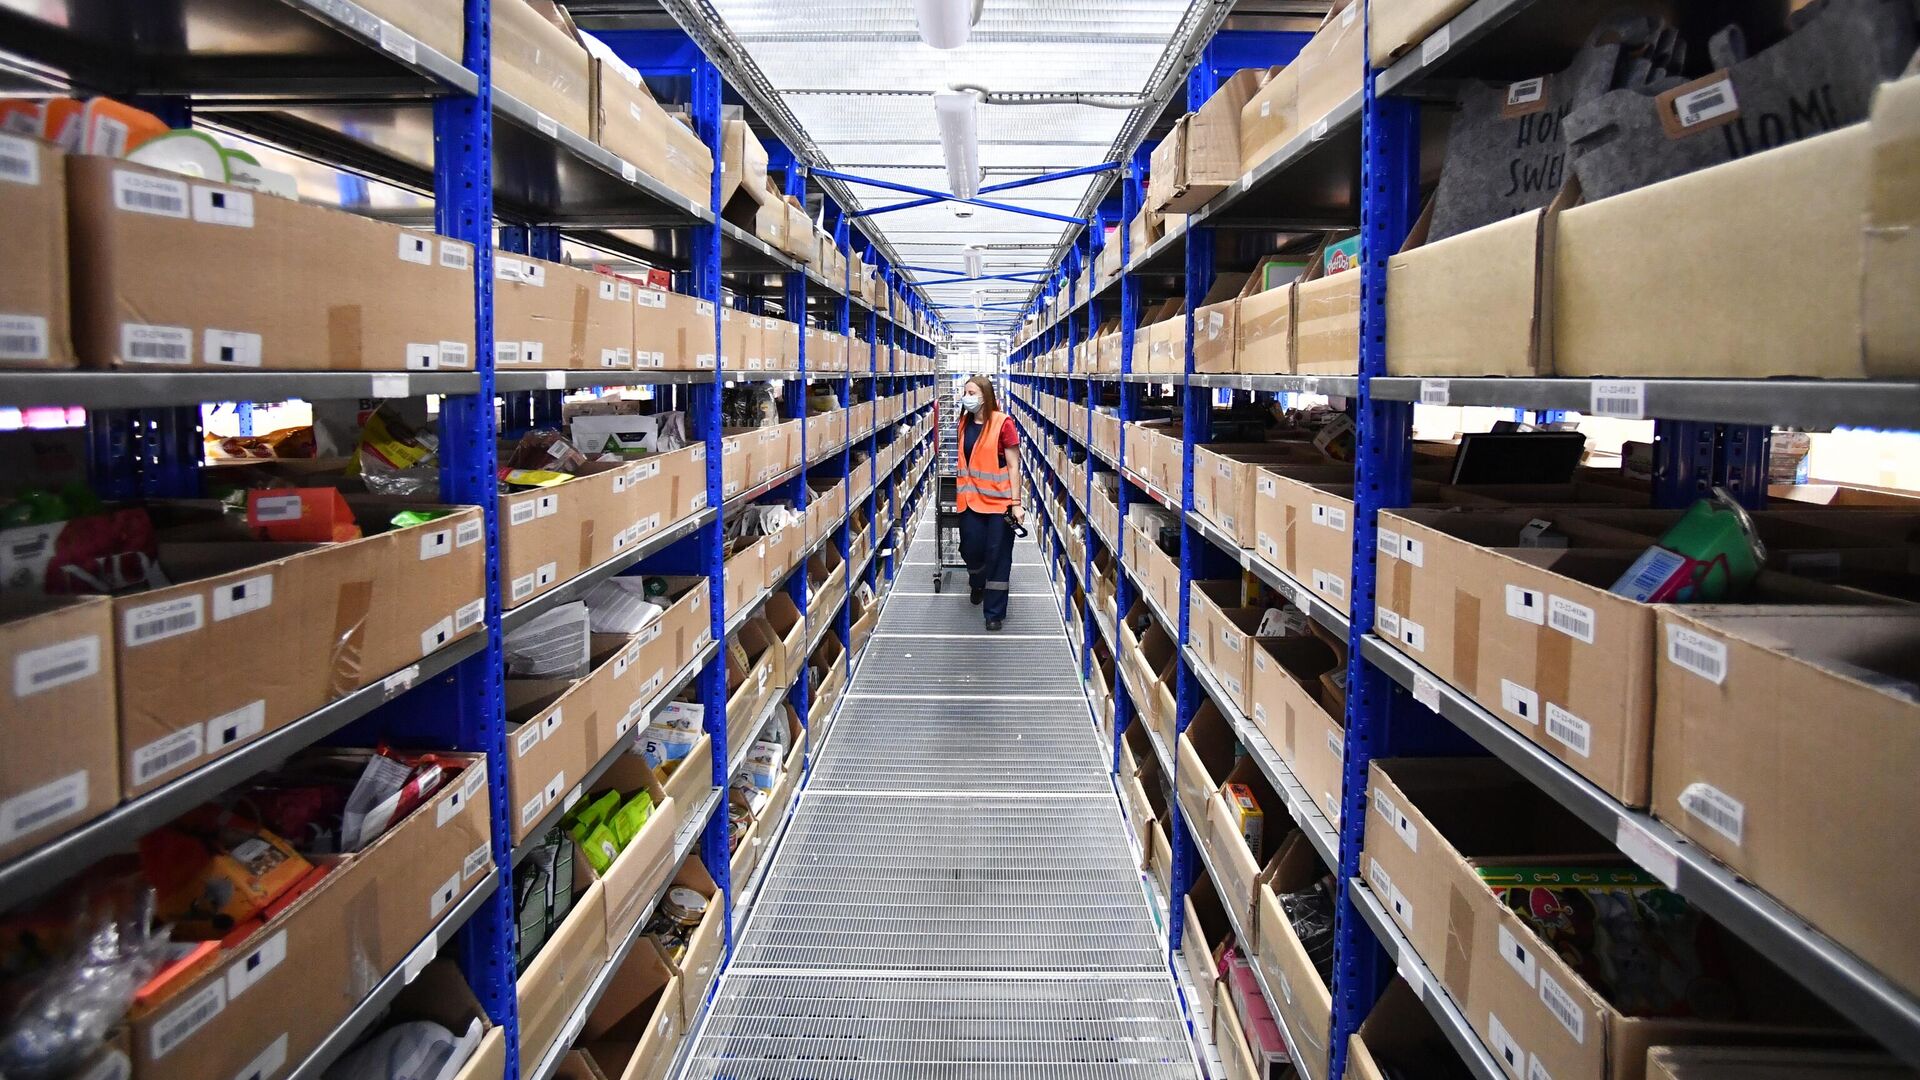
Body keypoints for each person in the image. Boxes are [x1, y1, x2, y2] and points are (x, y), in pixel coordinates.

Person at [953, 375, 1023, 631]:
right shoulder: (963, 423)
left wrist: (1016, 503)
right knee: (970, 549)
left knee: (998, 555)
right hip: (970, 501)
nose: (966, 397)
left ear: (985, 396)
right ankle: (977, 581)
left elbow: (1013, 465)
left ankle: (994, 612)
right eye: (965, 393)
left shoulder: (1003, 423)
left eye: (971, 393)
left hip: (999, 504)